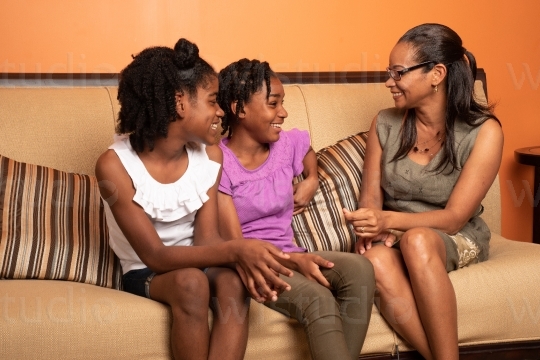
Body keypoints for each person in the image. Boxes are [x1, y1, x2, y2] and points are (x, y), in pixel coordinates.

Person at [95, 39, 294, 360]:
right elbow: (155, 255)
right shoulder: (114, 165)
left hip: (200, 259)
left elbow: (206, 238)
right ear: (180, 103)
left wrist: (249, 257)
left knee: (233, 282)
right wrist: (236, 248)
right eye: (213, 101)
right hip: (146, 271)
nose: (220, 112)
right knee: (191, 284)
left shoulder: (210, 155)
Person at [343, 24, 504, 360]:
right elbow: (370, 195)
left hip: (452, 235)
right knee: (373, 259)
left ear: (437, 74)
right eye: (389, 72)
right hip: (394, 235)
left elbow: (454, 217)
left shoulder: (484, 132)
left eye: (399, 72)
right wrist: (368, 225)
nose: (389, 82)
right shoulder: (384, 123)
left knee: (417, 240)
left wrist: (387, 219)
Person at [216, 58, 376, 360]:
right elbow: (237, 247)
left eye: (283, 103)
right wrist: (292, 262)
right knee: (318, 299)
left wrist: (311, 178)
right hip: (251, 265)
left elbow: (306, 149)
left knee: (360, 269)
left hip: (289, 251)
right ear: (239, 109)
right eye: (273, 104)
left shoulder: (284, 144)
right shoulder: (219, 163)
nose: (283, 113)